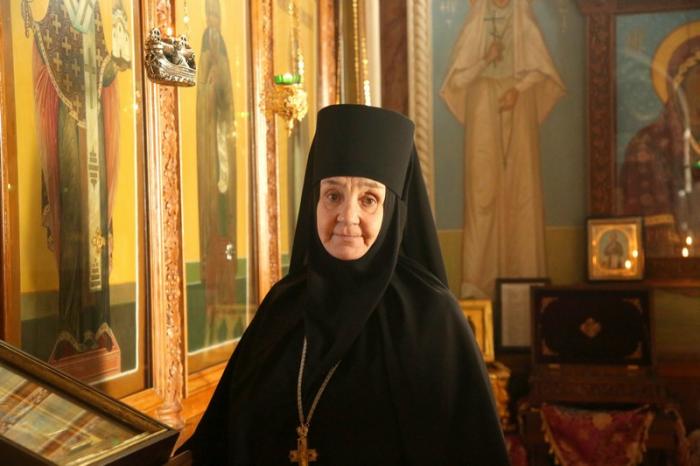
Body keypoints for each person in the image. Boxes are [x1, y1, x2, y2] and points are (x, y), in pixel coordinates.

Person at [180, 104, 509, 465]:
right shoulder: (281, 306)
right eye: (333, 196)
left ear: (392, 210)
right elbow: (218, 441)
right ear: (314, 201)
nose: (347, 217)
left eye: (369, 200)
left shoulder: (432, 316)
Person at [23, 0, 131, 364]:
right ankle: (69, 325)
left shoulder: (94, 12)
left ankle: (98, 321)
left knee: (95, 222)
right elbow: (46, 48)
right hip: (68, 127)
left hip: (94, 129)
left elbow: (106, 67)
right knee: (71, 220)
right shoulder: (56, 13)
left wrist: (113, 64)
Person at [440, 0, 565, 298]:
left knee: (522, 189)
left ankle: (526, 283)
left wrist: (518, 90)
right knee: (482, 192)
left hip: (519, 105)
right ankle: (478, 287)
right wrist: (485, 60)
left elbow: (542, 70)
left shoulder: (523, 19)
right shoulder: (476, 22)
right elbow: (457, 80)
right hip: (483, 106)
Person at [196, 0, 239, 345]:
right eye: (209, 14)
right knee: (213, 213)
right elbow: (203, 95)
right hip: (209, 145)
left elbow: (228, 100)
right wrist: (209, 84)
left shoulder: (221, 47)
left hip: (223, 139)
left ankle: (228, 292)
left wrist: (220, 77)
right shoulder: (203, 47)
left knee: (226, 214)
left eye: (216, 14)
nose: (213, 20)